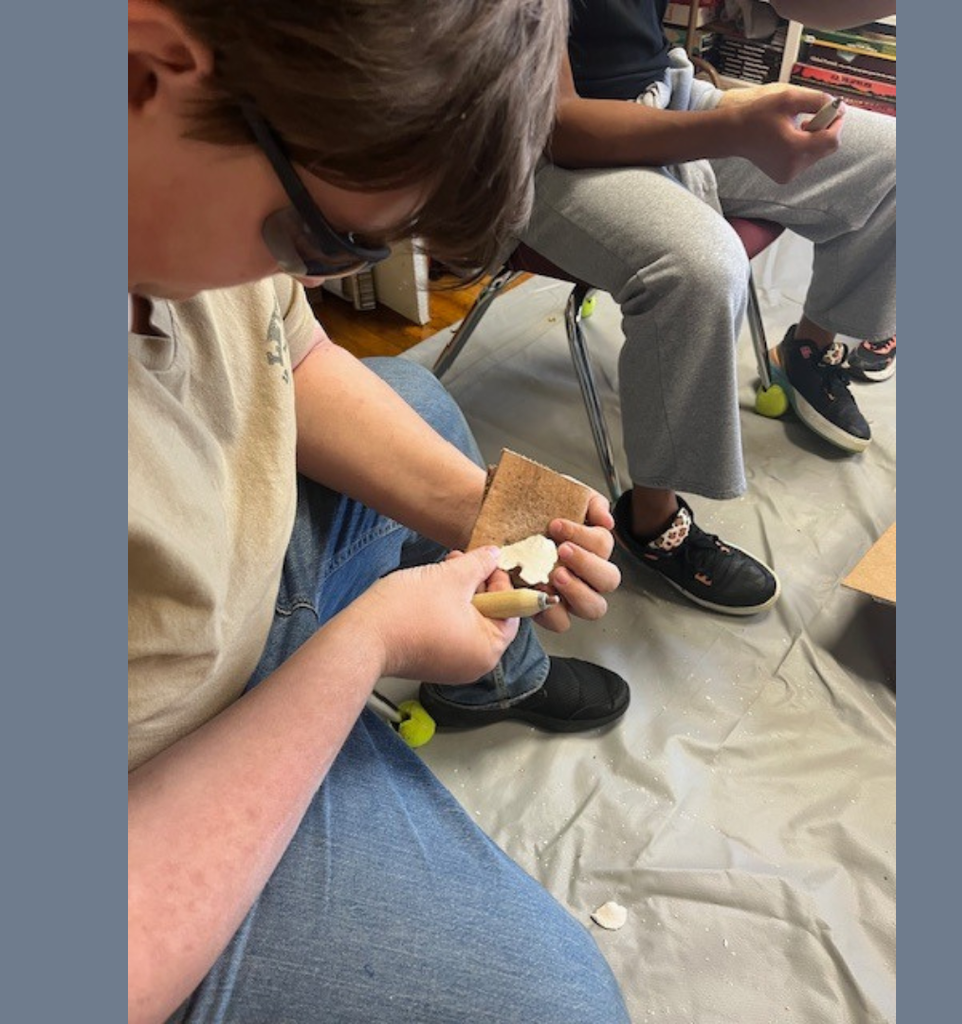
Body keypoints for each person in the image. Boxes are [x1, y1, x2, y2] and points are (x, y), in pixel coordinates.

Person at [128, 2, 631, 1022]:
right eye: (315, 237)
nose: (315, 275)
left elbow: (294, 355)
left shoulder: (163, 167)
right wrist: (364, 646)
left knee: (419, 404)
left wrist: (488, 514)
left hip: (228, 603)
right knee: (559, 1006)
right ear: (140, 67)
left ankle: (486, 677)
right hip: (152, 796)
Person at [515, 0, 896, 614]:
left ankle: (808, 350)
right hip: (542, 149)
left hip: (666, 95)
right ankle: (651, 519)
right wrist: (736, 134)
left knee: (894, 156)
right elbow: (561, 125)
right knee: (699, 266)